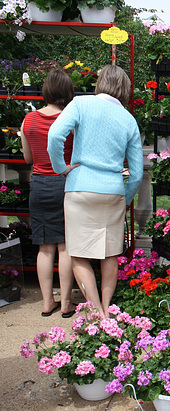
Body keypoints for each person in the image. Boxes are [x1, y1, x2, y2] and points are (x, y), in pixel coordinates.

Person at [47, 65, 143, 318]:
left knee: (78, 255)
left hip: (80, 187)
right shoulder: (128, 119)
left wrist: (61, 168)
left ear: (100, 82)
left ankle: (98, 313)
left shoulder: (81, 103)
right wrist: (125, 198)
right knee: (110, 254)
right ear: (125, 89)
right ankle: (108, 309)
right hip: (113, 191)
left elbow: (55, 135)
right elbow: (137, 172)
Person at [20, 70, 77, 318]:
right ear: (67, 92)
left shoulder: (28, 120)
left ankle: (47, 303)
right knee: (65, 247)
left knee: (45, 248)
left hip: (40, 184)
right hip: (64, 183)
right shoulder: (70, 119)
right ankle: (65, 303)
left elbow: (27, 158)